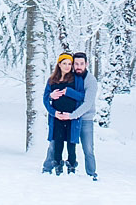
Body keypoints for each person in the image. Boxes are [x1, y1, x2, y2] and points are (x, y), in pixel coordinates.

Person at [40, 54, 83, 176]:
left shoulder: (76, 80)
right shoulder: (52, 80)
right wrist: (53, 110)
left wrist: (68, 92)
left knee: (71, 142)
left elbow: (81, 96)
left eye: (69, 64)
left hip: (71, 116)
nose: (67, 66)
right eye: (64, 63)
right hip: (57, 117)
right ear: (59, 64)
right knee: (57, 141)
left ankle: (71, 166)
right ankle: (57, 165)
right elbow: (45, 99)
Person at [67, 51, 98, 181]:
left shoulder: (90, 80)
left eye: (81, 64)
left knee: (88, 148)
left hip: (85, 119)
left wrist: (72, 115)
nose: (79, 66)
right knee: (69, 145)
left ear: (86, 64)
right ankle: (69, 169)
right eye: (76, 64)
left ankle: (91, 174)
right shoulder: (70, 77)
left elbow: (88, 103)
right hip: (71, 118)